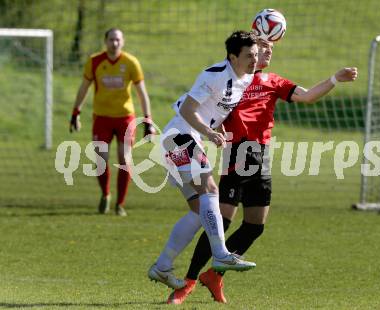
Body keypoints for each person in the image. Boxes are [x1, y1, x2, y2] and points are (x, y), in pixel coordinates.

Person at [166, 39, 358, 304]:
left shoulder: (273, 81)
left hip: (262, 157)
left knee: (255, 227)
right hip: (236, 155)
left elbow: (307, 96)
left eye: (270, 49)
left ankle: (214, 275)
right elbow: (202, 103)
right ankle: (187, 282)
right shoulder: (233, 81)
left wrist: (335, 78)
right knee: (219, 223)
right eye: (260, 48)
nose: (266, 52)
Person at [147, 30, 259, 290]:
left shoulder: (245, 77)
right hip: (179, 137)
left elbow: (211, 109)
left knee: (199, 211)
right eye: (248, 55)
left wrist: (212, 127)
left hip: (184, 139)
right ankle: (221, 254)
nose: (254, 60)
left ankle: (162, 267)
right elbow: (187, 109)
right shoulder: (216, 74)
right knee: (210, 190)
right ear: (233, 57)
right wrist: (209, 131)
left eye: (255, 55)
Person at [69, 28, 155, 216]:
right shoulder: (94, 61)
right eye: (111, 39)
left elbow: (142, 93)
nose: (114, 43)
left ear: (122, 42)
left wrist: (148, 120)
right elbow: (84, 87)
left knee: (125, 159)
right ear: (105, 41)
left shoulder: (131, 62)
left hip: (125, 118)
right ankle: (106, 194)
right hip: (101, 117)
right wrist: (76, 111)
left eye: (117, 40)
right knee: (101, 159)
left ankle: (120, 204)